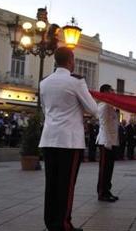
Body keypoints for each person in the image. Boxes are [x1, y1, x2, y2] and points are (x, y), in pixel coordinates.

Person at [38, 47, 98, 231]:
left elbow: (44, 108)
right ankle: (63, 224)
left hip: (49, 139)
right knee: (66, 184)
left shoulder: (44, 82)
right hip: (69, 141)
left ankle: (51, 222)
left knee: (52, 183)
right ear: (71, 60)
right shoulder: (76, 82)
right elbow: (93, 109)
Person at [95, 84, 120, 203]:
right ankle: (102, 192)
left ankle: (107, 190)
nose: (113, 92)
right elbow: (104, 124)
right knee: (104, 168)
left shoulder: (111, 106)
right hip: (105, 141)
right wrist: (107, 142)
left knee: (109, 168)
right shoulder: (104, 106)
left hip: (112, 141)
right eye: (111, 90)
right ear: (105, 92)